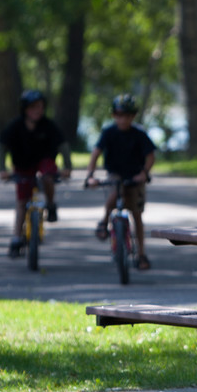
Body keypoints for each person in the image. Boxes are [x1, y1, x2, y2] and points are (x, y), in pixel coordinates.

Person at [84, 94, 157, 270]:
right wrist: (90, 175)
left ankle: (141, 254)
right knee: (115, 191)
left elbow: (150, 156)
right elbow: (95, 153)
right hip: (115, 174)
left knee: (137, 215)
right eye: (118, 114)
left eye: (126, 115)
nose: (122, 118)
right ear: (113, 115)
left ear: (133, 116)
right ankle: (104, 221)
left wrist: (144, 173)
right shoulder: (108, 132)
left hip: (134, 176)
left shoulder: (139, 133)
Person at [0, 89, 72, 257]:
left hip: (45, 162)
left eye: (40, 106)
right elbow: (2, 145)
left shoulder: (49, 125)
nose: (37, 110)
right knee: (22, 202)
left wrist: (67, 166)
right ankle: (16, 237)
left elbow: (63, 145)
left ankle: (51, 204)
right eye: (33, 107)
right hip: (23, 165)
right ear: (24, 109)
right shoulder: (15, 126)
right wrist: (2, 169)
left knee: (47, 177)